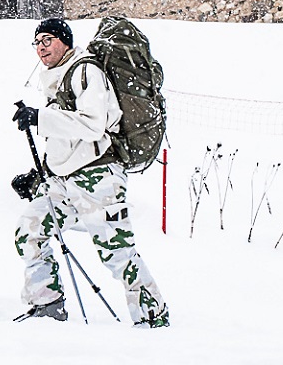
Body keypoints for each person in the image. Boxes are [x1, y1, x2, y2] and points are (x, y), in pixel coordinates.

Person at [10, 18, 170, 327]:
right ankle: (46, 304)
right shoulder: (57, 80)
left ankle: (153, 318)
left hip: (99, 179)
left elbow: (93, 124)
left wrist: (40, 119)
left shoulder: (86, 71)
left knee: (117, 253)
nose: (42, 48)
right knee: (29, 229)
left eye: (48, 40)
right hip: (65, 181)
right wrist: (39, 173)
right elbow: (66, 139)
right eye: (38, 42)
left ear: (65, 42)